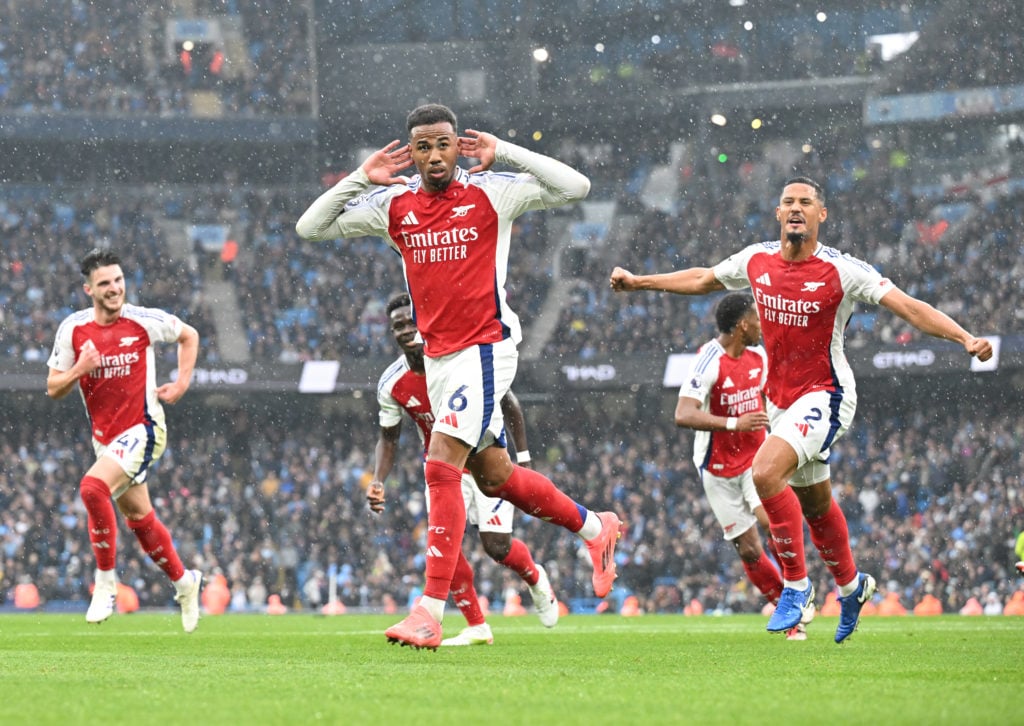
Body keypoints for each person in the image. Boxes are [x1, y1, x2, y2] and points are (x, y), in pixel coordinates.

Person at [610, 176, 992, 644]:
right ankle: (852, 587)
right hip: (780, 399)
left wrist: (965, 339)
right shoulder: (756, 259)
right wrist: (640, 282)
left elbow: (908, 307)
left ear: (821, 215)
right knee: (815, 504)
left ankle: (796, 586)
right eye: (788, 201)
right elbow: (703, 278)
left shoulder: (842, 270)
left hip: (825, 395)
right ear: (777, 213)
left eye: (805, 202)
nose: (796, 208)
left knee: (764, 473)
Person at [297, 103, 621, 650]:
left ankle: (429, 610)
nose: (433, 155)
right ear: (412, 153)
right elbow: (311, 229)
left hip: (488, 347)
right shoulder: (394, 205)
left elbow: (577, 186)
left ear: (456, 145)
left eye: (442, 143)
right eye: (421, 147)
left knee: (440, 461)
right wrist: (359, 178)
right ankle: (596, 528)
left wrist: (508, 152)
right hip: (442, 359)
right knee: (493, 476)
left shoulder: (492, 191)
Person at [367, 292, 558, 646]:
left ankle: (534, 577)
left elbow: (509, 402)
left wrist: (525, 458)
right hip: (441, 468)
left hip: (485, 457)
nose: (406, 329)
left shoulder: (459, 357)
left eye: (411, 321)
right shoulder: (391, 382)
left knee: (496, 547)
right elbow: (388, 438)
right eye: (398, 326)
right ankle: (477, 625)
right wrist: (378, 480)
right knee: (445, 549)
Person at [46, 248, 204, 632]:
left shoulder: (142, 321)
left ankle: (105, 584)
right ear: (89, 290)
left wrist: (182, 382)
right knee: (139, 518)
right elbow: (53, 387)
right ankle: (185, 582)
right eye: (105, 283)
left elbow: (189, 335)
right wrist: (80, 369)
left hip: (145, 429)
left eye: (118, 280)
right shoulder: (73, 330)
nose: (115, 288)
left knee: (91, 487)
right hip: (107, 440)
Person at [674, 292, 806, 641]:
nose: (762, 326)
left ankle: (797, 590)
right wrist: (735, 424)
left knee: (771, 521)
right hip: (716, 469)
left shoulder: (760, 357)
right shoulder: (708, 360)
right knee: (748, 549)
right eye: (757, 320)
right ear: (742, 325)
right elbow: (682, 414)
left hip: (756, 461)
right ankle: (790, 615)